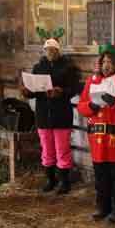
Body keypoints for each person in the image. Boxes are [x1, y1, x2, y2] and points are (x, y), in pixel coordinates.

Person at [77, 43, 115, 224]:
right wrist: (92, 106)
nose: (106, 65)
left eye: (110, 62)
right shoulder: (92, 81)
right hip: (98, 142)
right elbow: (82, 106)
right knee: (101, 177)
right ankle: (102, 207)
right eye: (103, 61)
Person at [22, 38, 81, 195]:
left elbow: (75, 88)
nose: (50, 53)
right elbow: (33, 90)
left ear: (58, 51)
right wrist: (28, 92)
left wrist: (61, 91)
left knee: (62, 149)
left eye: (53, 50)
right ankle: (50, 179)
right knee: (47, 149)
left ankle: (64, 182)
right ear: (44, 51)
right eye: (47, 50)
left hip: (61, 113)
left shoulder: (68, 68)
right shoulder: (38, 67)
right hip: (43, 114)